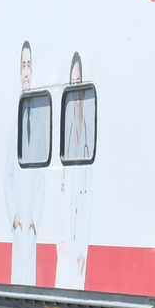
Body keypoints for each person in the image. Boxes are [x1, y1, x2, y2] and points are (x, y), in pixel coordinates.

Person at [4, 41, 44, 285]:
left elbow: (42, 179)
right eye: (23, 65)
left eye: (29, 65)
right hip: (20, 222)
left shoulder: (40, 122)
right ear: (19, 73)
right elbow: (7, 176)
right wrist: (15, 217)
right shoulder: (13, 126)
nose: (26, 71)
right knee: (18, 277)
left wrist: (34, 220)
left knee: (30, 279)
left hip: (30, 224)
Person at [57, 53, 93, 289]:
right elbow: (59, 196)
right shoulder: (65, 133)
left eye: (80, 84)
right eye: (73, 84)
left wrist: (82, 248)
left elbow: (88, 200)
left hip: (78, 246)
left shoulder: (89, 135)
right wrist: (61, 241)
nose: (76, 92)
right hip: (65, 243)